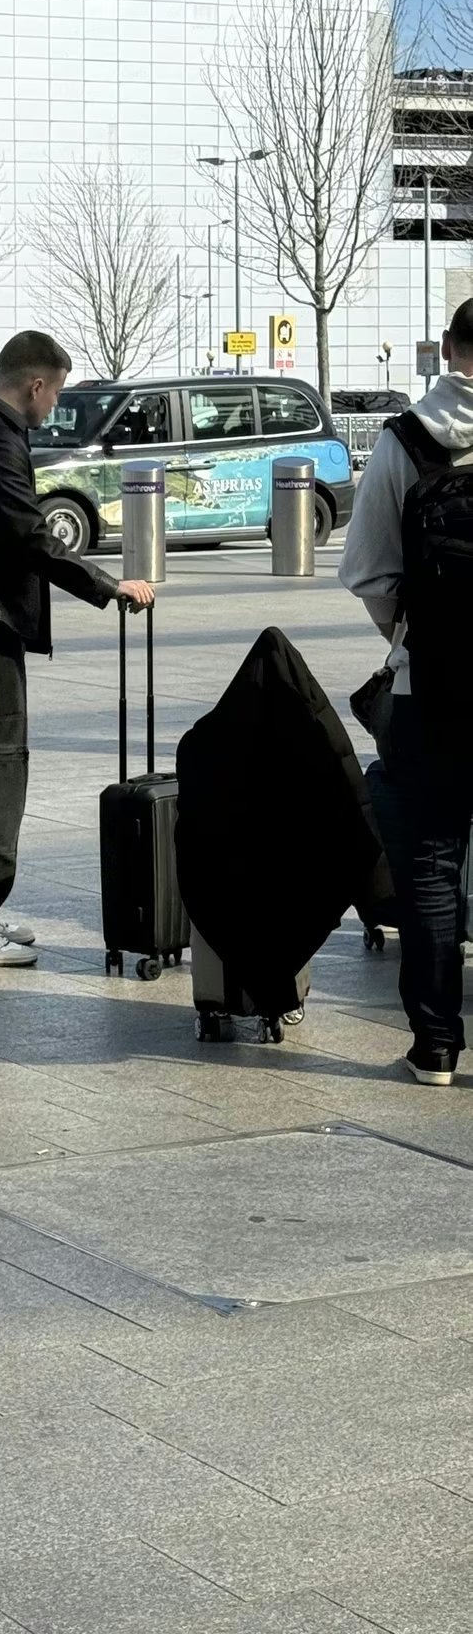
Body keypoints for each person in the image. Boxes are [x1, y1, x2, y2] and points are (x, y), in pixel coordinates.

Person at [0, 330, 156, 967]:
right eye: (54, 395)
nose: (53, 409)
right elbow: (29, 536)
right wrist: (108, 585)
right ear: (35, 385)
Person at [339, 297, 473, 1086]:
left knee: (428, 864)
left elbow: (366, 572)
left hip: (435, 692)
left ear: (449, 349)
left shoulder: (405, 439)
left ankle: (435, 1049)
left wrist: (411, 637)